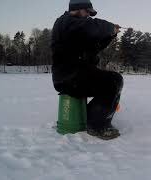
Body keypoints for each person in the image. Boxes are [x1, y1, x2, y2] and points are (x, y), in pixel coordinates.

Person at [51, 0, 123, 140]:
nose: (89, 15)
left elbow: (94, 46)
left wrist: (111, 35)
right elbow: (92, 26)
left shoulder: (76, 28)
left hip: (76, 76)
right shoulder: (65, 22)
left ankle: (88, 117)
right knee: (113, 81)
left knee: (113, 80)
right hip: (70, 78)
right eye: (87, 12)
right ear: (78, 9)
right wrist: (110, 27)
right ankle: (97, 126)